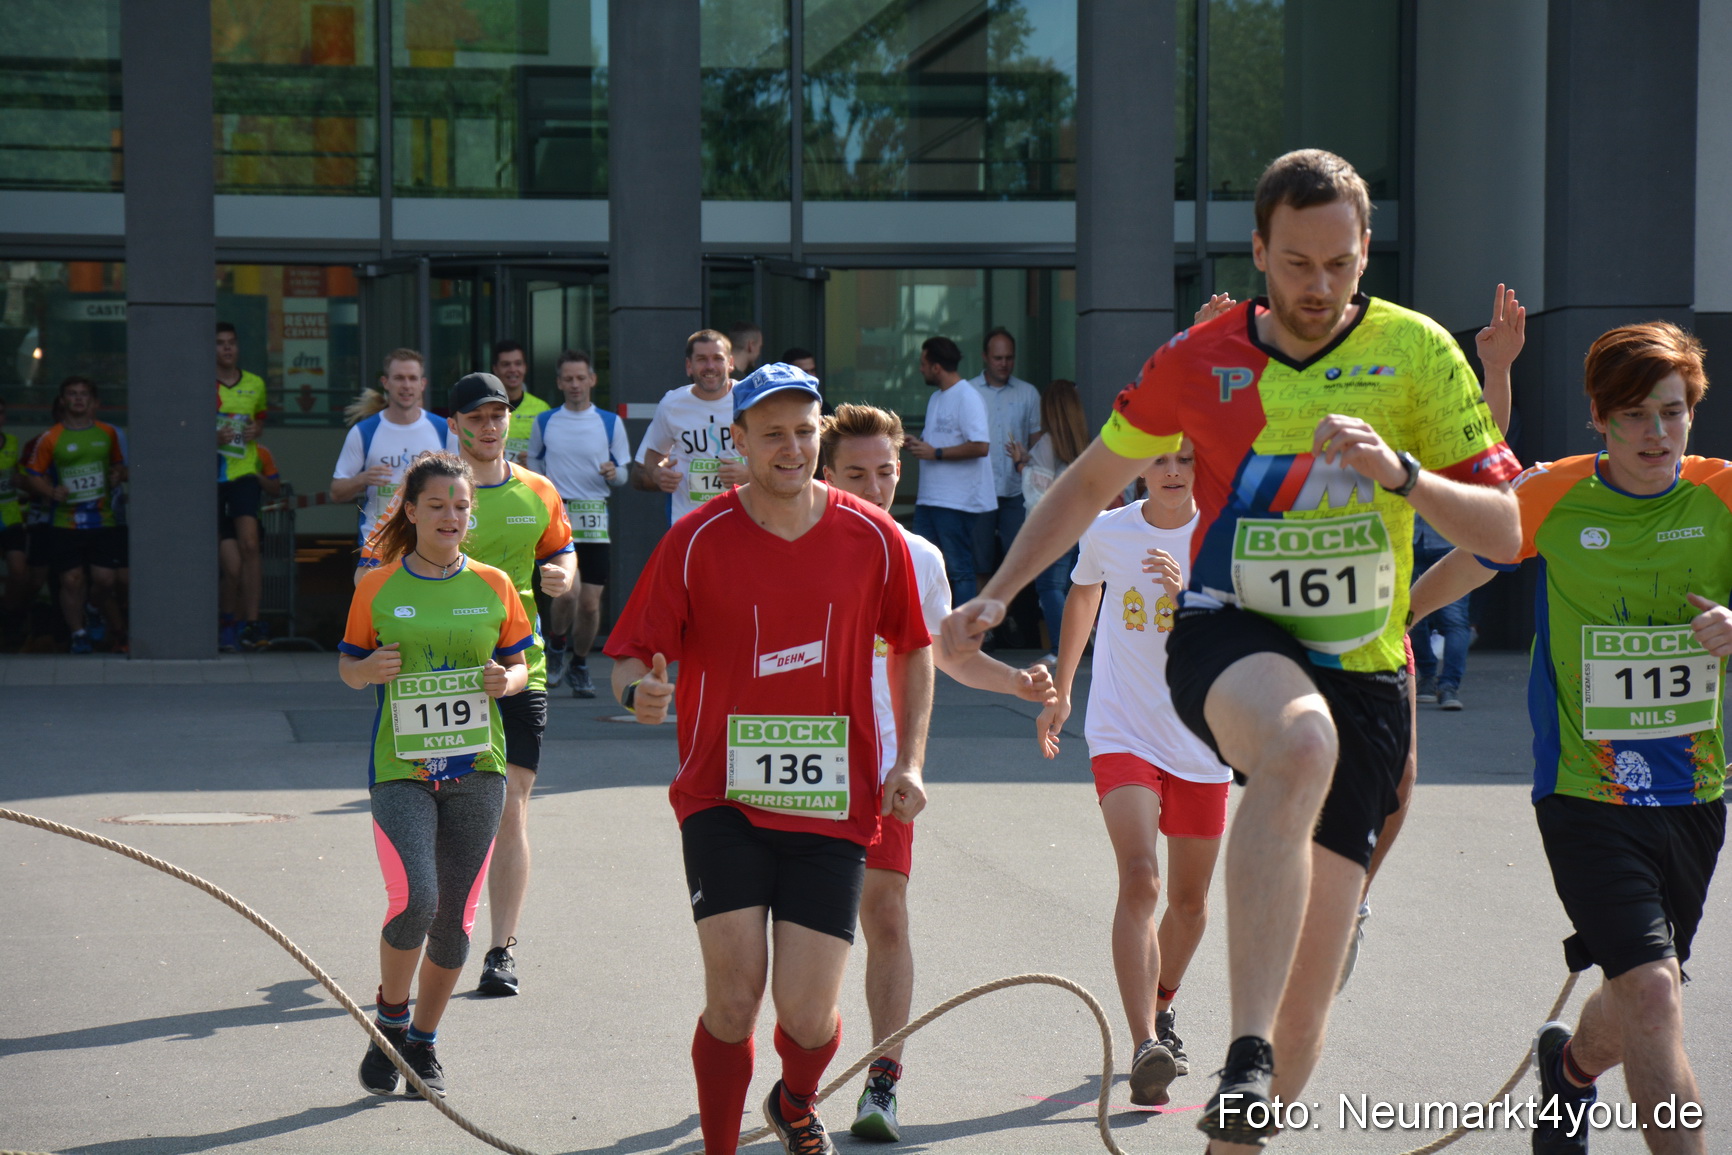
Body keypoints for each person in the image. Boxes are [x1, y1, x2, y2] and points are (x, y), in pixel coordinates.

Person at [939, 149, 1523, 1152]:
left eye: (1339, 264)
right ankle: (1240, 1047)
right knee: (1297, 743)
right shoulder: (1196, 360)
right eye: (1295, 263)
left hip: (1367, 669)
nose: (1318, 286)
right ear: (1257, 251)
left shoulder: (1418, 353)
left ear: (1365, 250)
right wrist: (992, 596)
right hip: (1226, 631)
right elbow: (1084, 483)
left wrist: (1402, 474)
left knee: (1308, 1010)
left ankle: (1247, 1100)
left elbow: (1505, 533)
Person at [1410, 321, 1725, 1155]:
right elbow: (1474, 558)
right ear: (1598, 416)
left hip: (1696, 792)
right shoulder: (1552, 492)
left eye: (1672, 412)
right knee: (1656, 995)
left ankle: (1571, 1073)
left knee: (1638, 996)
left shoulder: (1724, 496)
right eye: (1635, 415)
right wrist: (1392, 622)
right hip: (1586, 791)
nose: (1656, 434)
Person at [604, 364, 934, 1155]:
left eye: (804, 430)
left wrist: (910, 760)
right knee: (734, 993)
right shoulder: (695, 540)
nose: (792, 447)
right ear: (740, 441)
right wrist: (637, 697)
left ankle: (793, 1098)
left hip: (833, 803)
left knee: (809, 1015)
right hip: (722, 798)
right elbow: (630, 656)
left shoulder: (873, 537)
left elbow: (914, 651)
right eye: (773, 432)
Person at [819, 402, 1055, 1142]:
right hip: (797, 762)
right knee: (805, 936)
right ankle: (798, 1070)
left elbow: (947, 653)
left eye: (887, 471)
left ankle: (883, 1080)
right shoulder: (793, 545)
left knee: (885, 914)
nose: (876, 485)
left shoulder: (918, 556)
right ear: (827, 474)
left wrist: (1014, 682)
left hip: (885, 766)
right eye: (856, 473)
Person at [365, 371, 575, 998]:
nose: (490, 426)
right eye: (476, 417)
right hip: (426, 685)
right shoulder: (433, 489)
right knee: (429, 810)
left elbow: (561, 550)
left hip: (514, 672)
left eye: (499, 415)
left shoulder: (539, 490)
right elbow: (382, 565)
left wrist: (561, 573)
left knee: (510, 808)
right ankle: (425, 911)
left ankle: (499, 949)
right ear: (453, 423)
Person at [1036, 439, 1230, 1109]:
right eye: (1161, 460)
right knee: (1141, 876)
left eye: (1185, 460)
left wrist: (1191, 594)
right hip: (1122, 728)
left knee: (1191, 902)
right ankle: (1147, 1039)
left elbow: (1251, 633)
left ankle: (1162, 1001)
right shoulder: (1111, 530)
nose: (1172, 472)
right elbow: (1083, 595)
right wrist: (1062, 689)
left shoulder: (1223, 532)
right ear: (1142, 465)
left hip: (1202, 736)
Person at [340, 452, 532, 1100]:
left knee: (454, 918)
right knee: (416, 897)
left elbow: (522, 665)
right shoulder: (376, 587)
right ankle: (390, 1016)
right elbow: (347, 665)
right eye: (437, 504)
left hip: (478, 768)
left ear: (469, 513)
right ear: (412, 511)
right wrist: (370, 671)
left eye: (460, 505)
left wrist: (508, 680)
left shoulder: (495, 584)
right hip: (401, 769)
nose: (450, 515)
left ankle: (421, 1039)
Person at [1411, 283, 1525, 711]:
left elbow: (1487, 434)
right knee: (1414, 622)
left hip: (1445, 544)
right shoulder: (1375, 413)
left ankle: (1448, 686)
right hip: (1388, 562)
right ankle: (1426, 677)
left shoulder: (1445, 418)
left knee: (1454, 618)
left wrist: (1497, 370)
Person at [528, 349, 631, 698]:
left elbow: (623, 474)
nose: (575, 385)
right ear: (559, 383)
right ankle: (556, 646)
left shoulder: (609, 422)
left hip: (595, 518)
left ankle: (580, 662)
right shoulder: (545, 421)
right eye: (568, 379)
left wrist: (616, 473)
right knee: (567, 594)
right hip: (559, 518)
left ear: (592, 380)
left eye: (580, 378)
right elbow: (534, 471)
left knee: (589, 604)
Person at [24, 376, 129, 654]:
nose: (78, 399)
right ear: (63, 400)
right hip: (64, 521)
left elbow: (122, 466)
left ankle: (93, 609)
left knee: (106, 579)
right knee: (71, 580)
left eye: (84, 394)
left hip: (102, 519)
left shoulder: (108, 434)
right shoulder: (51, 438)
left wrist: (119, 475)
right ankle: (78, 634)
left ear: (93, 401)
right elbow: (32, 474)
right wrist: (49, 490)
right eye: (72, 394)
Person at [332, 349, 449, 565]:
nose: (406, 385)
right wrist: (362, 479)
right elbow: (336, 492)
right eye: (399, 378)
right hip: (377, 548)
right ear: (385, 382)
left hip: (428, 549)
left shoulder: (443, 429)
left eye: (412, 378)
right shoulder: (364, 432)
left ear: (422, 384)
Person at [905, 336, 993, 606]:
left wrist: (936, 453)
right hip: (930, 499)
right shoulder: (937, 398)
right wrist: (918, 445)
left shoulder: (967, 397)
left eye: (923, 363)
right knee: (919, 564)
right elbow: (938, 442)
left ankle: (962, 640)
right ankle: (930, 632)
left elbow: (981, 446)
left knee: (959, 570)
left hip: (956, 501)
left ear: (936, 367)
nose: (920, 369)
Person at [631, 329, 748, 525]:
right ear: (689, 366)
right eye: (701, 359)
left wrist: (748, 475)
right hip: (689, 523)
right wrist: (657, 473)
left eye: (717, 358)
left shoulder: (749, 401)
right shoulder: (671, 405)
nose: (710, 366)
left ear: (730, 363)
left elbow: (773, 458)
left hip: (741, 519)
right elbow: (650, 456)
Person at [967, 328, 1042, 596]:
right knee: (980, 563)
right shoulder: (969, 392)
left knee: (1019, 562)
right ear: (985, 357)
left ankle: (1013, 620)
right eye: (998, 358)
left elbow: (1039, 447)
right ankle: (983, 632)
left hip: (1016, 490)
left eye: (1009, 358)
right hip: (980, 490)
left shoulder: (1028, 393)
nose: (1004, 364)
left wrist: (1027, 457)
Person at [1021, 380, 1090, 663]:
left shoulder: (1046, 443)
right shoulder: (1084, 443)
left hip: (1055, 527)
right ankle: (1077, 643)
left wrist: (1021, 465)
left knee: (1049, 586)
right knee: (1072, 585)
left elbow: (1038, 494)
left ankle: (1062, 649)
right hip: (1082, 522)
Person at [216, 321, 270, 651]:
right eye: (220, 343)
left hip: (244, 473)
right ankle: (227, 620)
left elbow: (259, 420)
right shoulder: (201, 384)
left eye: (231, 343)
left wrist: (255, 431)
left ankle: (252, 622)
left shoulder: (255, 383)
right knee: (231, 565)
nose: (227, 348)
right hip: (209, 477)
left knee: (250, 545)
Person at [491, 339, 552, 465]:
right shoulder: (485, 407)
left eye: (518, 364)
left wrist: (537, 458)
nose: (513, 369)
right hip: (493, 479)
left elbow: (552, 451)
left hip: (528, 480)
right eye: (506, 364)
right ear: (495, 369)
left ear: (525, 367)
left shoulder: (542, 408)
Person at [0, 397, 28, 646]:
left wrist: (19, 480)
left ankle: (8, 617)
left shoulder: (11, 442)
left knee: (19, 573)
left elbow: (17, 473)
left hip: (9, 515)